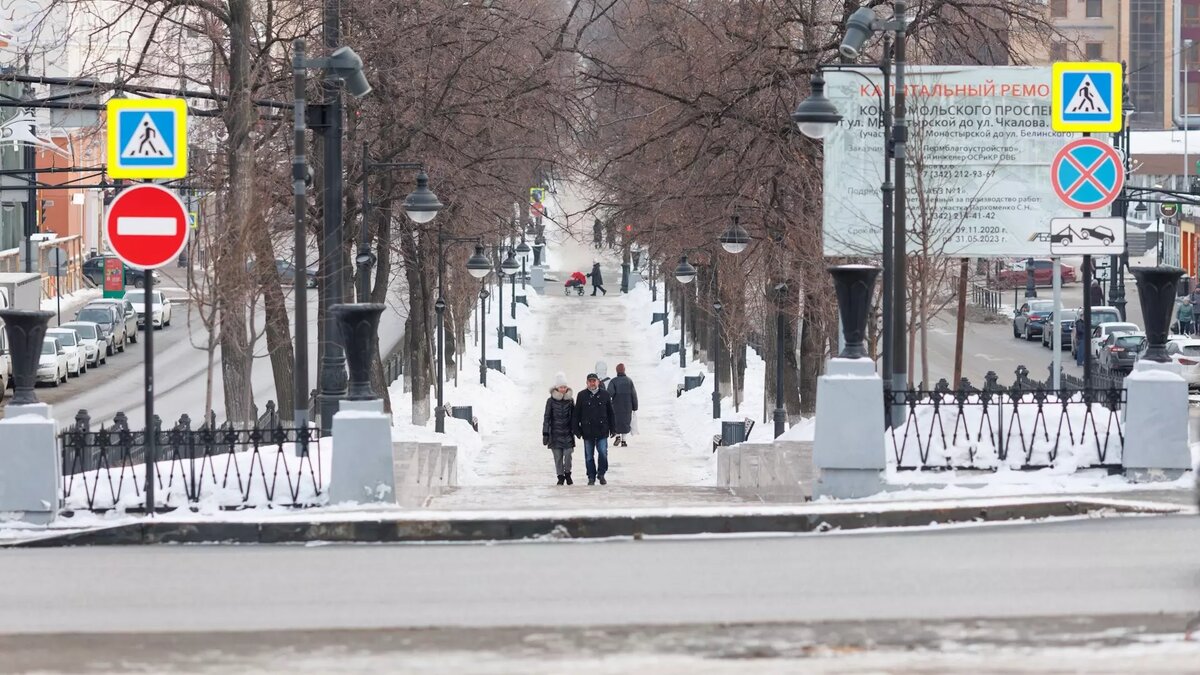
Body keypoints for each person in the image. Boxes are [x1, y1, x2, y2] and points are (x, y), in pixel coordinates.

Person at [574, 372, 616, 485]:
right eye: (590, 381)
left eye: (594, 381)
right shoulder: (581, 395)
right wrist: (576, 430)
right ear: (587, 383)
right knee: (589, 456)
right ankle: (591, 476)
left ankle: (601, 474)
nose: (592, 383)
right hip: (587, 431)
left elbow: (611, 413)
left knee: (603, 453)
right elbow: (576, 414)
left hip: (602, 430)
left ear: (598, 382)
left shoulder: (605, 394)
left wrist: (613, 428)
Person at [542, 372, 575, 486]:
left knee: (568, 454)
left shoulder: (570, 400)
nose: (563, 389)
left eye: (565, 387)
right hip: (555, 434)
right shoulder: (550, 401)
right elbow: (547, 417)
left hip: (567, 433)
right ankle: (560, 476)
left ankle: (568, 473)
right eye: (561, 387)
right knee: (558, 457)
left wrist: (576, 429)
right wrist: (545, 433)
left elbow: (574, 416)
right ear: (557, 387)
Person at [608, 363, 638, 448]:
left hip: (616, 405)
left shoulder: (613, 381)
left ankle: (617, 436)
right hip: (627, 406)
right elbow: (634, 394)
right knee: (625, 422)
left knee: (617, 421)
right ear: (624, 370)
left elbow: (609, 393)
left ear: (617, 371)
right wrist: (635, 406)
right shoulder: (629, 381)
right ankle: (624, 441)